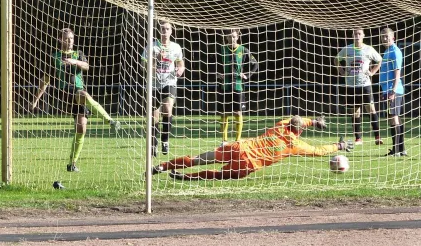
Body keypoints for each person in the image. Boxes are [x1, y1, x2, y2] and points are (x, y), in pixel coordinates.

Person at [151, 115, 353, 180]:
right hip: (248, 164)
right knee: (216, 175)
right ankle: (187, 178)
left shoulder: (280, 126)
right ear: (299, 132)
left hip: (239, 147)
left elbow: (297, 121)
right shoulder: (296, 145)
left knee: (199, 158)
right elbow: (319, 151)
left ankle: (161, 166)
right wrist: (339, 145)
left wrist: (313, 121)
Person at [31, 28, 120, 172]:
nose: (70, 41)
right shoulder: (54, 56)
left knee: (81, 128)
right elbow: (45, 80)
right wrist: (35, 100)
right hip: (65, 93)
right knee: (83, 95)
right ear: (60, 39)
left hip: (79, 92)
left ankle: (72, 164)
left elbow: (86, 66)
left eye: (71, 38)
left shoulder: (78, 54)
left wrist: (74, 61)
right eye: (66, 38)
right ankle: (109, 120)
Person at [141, 21, 185, 156]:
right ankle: (153, 144)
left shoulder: (176, 47)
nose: (165, 31)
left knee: (167, 108)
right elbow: (144, 66)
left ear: (171, 31)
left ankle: (165, 140)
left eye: (167, 29)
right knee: (154, 116)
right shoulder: (152, 47)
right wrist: (156, 59)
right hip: (154, 84)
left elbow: (181, 63)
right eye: (162, 29)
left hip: (169, 82)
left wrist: (180, 70)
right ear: (159, 31)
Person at [335, 28, 383, 145]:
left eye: (359, 34)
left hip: (365, 84)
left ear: (363, 35)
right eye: (355, 34)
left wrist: (372, 72)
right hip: (351, 85)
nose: (357, 35)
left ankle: (377, 137)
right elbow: (336, 59)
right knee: (355, 112)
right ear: (353, 35)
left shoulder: (369, 49)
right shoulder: (347, 49)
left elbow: (379, 60)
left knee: (371, 109)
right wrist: (341, 70)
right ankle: (358, 138)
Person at [216, 29, 258, 144]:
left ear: (238, 37)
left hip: (238, 86)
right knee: (224, 113)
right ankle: (224, 141)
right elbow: (212, 64)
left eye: (234, 36)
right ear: (226, 38)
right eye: (229, 37)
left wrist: (247, 75)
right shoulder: (221, 50)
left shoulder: (243, 50)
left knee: (238, 112)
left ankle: (237, 140)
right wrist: (218, 74)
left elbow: (255, 64)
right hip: (225, 86)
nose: (232, 39)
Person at [379, 28, 406, 156]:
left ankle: (397, 150)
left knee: (394, 118)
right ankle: (400, 149)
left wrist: (393, 90)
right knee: (394, 118)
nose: (385, 39)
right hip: (387, 89)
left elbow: (397, 72)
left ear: (393, 38)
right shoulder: (387, 51)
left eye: (387, 36)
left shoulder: (395, 52)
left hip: (393, 90)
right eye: (383, 36)